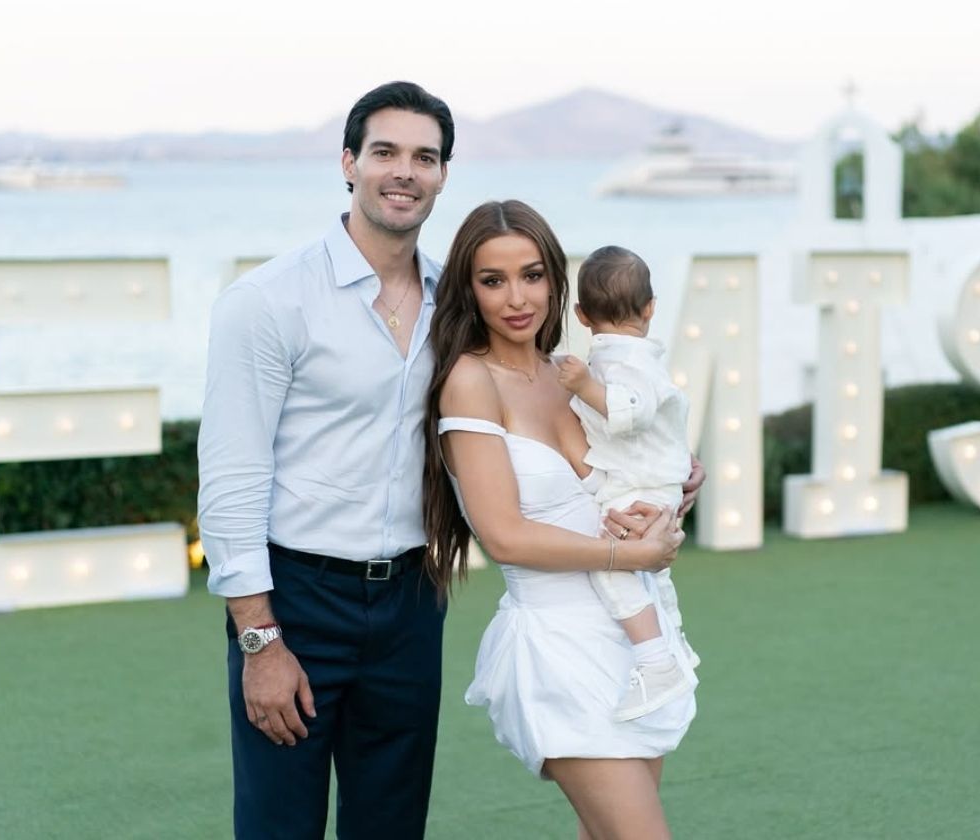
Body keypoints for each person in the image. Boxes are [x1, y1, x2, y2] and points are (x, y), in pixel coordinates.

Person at [197, 81, 454, 839]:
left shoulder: (457, 303)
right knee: (279, 827)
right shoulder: (269, 301)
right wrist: (259, 639)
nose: (404, 171)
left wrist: (652, 462)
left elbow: (522, 415)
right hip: (298, 604)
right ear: (349, 163)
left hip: (413, 603)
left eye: (425, 157)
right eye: (385, 152)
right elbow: (232, 477)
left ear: (443, 175)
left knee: (392, 828)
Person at [423, 200, 699, 840]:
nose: (517, 298)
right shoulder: (469, 381)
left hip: (633, 635)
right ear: (469, 289)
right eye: (493, 280)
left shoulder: (570, 376)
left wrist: (677, 482)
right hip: (560, 646)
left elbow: (618, 479)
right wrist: (627, 556)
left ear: (556, 280)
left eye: (532, 275)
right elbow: (503, 535)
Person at [556, 245, 698, 723]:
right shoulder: (630, 354)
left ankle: (656, 660)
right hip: (646, 479)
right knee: (654, 573)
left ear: (581, 315)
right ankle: (674, 641)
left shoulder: (624, 360)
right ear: (651, 307)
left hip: (640, 484)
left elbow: (631, 412)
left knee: (611, 567)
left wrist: (585, 387)